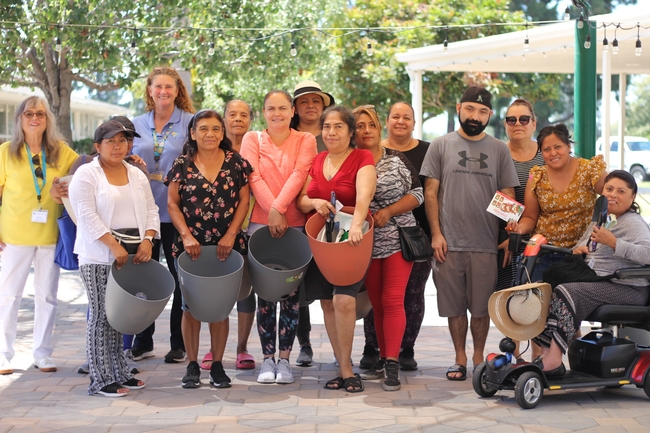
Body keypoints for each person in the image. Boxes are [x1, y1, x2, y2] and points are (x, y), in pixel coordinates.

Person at [420, 86, 519, 381]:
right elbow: (431, 192)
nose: (475, 116)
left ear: (489, 114)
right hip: (448, 243)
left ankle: (478, 357)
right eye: (470, 109)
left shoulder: (499, 149)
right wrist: (436, 234)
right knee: (453, 306)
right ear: (459, 107)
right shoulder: (440, 145)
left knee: (480, 307)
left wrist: (509, 234)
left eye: (483, 111)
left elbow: (508, 194)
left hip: (486, 244)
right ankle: (459, 358)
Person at [69, 119, 158, 396]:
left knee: (119, 316)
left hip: (132, 254)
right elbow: (86, 216)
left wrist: (148, 239)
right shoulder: (87, 174)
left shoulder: (136, 174)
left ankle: (120, 372)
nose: (118, 146)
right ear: (98, 146)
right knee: (100, 316)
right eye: (111, 141)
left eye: (123, 140)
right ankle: (101, 379)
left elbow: (151, 210)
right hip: (98, 256)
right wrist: (113, 245)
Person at [532, 170, 650, 376]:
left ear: (632, 198)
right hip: (602, 282)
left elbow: (647, 254)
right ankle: (546, 352)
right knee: (545, 289)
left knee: (569, 292)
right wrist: (579, 250)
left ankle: (554, 357)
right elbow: (583, 245)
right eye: (609, 189)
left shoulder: (633, 222)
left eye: (621, 191)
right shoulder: (603, 219)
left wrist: (614, 242)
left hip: (629, 288)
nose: (613, 194)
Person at [166, 109, 252, 389]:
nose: (210, 134)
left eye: (216, 129)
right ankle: (192, 365)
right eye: (203, 129)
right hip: (191, 246)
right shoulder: (182, 163)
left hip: (226, 246)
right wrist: (186, 236)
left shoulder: (236, 162)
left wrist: (230, 234)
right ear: (193, 133)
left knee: (220, 307)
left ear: (222, 132)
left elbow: (243, 201)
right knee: (189, 306)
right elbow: (172, 204)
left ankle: (216, 365)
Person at [297, 106, 376, 392]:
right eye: (327, 127)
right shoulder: (318, 160)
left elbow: (365, 194)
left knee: (344, 300)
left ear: (351, 132)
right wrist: (315, 203)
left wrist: (356, 226)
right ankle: (341, 365)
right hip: (321, 243)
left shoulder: (361, 157)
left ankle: (347, 369)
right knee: (327, 303)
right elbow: (302, 199)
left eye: (338, 127)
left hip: (351, 242)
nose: (331, 132)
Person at [240, 90, 317, 384]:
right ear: (263, 111)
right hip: (259, 227)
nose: (277, 114)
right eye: (271, 108)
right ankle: (266, 360)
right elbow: (253, 176)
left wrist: (278, 209)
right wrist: (273, 212)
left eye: (283, 108)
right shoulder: (253, 139)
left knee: (289, 297)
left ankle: (284, 360)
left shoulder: (305, 140)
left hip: (294, 228)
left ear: (292, 111)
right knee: (265, 297)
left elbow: (300, 175)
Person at [0, 96, 78, 375]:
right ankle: (3, 355)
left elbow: (86, 174)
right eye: (29, 113)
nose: (35, 118)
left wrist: (127, 158)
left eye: (41, 114)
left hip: (50, 236)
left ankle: (42, 353)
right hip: (13, 237)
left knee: (47, 297)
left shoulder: (63, 152)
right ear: (20, 118)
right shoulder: (6, 152)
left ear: (48, 119)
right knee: (9, 296)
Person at [352, 105, 422, 391]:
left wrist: (389, 211)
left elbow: (417, 193)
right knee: (376, 304)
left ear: (379, 127)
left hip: (397, 237)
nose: (366, 130)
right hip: (364, 243)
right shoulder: (348, 162)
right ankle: (382, 356)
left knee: (393, 299)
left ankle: (393, 363)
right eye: (359, 125)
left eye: (371, 124)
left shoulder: (396, 159)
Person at [131, 66, 195, 364]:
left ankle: (178, 344)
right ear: (150, 90)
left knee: (179, 279)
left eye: (169, 87)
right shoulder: (135, 123)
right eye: (158, 86)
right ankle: (142, 341)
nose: (163, 92)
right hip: (142, 215)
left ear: (177, 90)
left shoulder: (190, 122)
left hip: (176, 213)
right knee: (143, 279)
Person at [507, 123, 607, 282]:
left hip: (579, 256)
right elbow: (530, 218)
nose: (553, 153)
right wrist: (518, 229)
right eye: (546, 149)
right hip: (543, 254)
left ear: (568, 146)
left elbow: (613, 196)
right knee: (536, 303)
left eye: (558, 147)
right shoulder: (536, 176)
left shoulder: (589, 170)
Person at [198, 99, 257, 371]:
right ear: (223, 121)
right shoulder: (210, 148)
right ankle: (214, 348)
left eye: (244, 115)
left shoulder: (257, 145)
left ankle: (242, 348)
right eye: (232, 114)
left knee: (245, 291)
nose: (238, 119)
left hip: (249, 228)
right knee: (216, 293)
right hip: (214, 233)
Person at [495, 99, 545, 362]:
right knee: (509, 296)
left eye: (523, 119)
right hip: (508, 237)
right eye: (511, 119)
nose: (517, 124)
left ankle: (538, 358)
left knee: (536, 299)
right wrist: (506, 237)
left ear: (533, 123)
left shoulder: (546, 154)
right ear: (504, 124)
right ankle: (514, 359)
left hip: (543, 239)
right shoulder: (498, 153)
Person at [290, 80, 335, 367]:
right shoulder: (288, 136)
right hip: (295, 219)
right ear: (294, 107)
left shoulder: (334, 136)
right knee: (298, 289)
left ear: (324, 105)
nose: (310, 105)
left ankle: (338, 350)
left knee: (332, 290)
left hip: (331, 223)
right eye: (304, 101)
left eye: (316, 101)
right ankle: (303, 344)